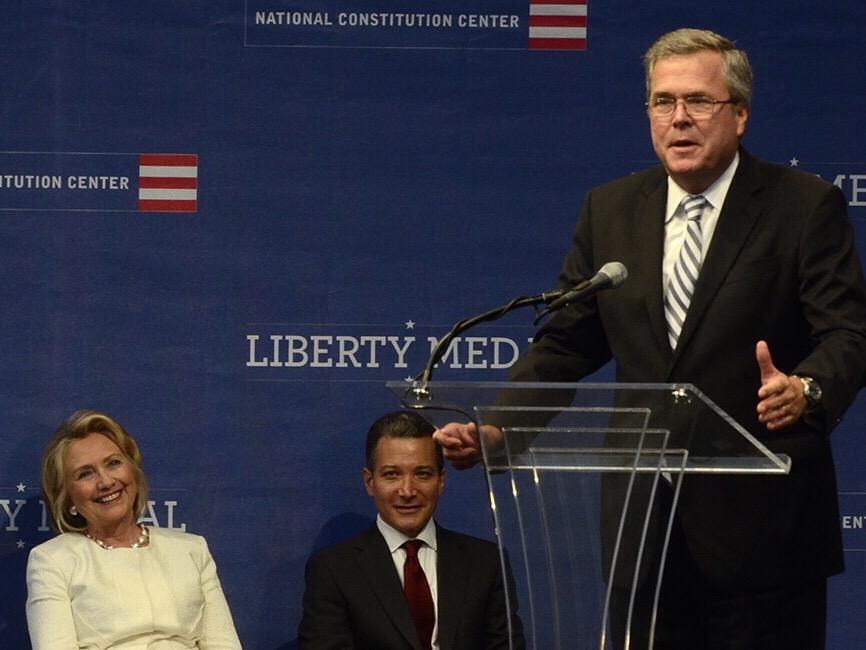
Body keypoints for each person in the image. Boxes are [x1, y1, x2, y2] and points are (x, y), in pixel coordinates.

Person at [434, 28, 866, 649]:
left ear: (740, 115)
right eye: (663, 102)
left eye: (699, 101)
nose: (679, 118)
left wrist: (807, 387)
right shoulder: (611, 210)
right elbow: (566, 344)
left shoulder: (802, 206)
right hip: (642, 532)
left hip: (764, 533)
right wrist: (500, 427)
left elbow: (848, 331)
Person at [297, 410, 524, 649]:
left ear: (441, 481)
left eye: (422, 474)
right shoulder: (334, 570)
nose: (407, 491)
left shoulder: (486, 563)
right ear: (369, 482)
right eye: (392, 475)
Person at [26, 409, 242, 649]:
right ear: (67, 497)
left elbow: (225, 644)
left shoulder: (192, 550)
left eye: (113, 463)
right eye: (85, 474)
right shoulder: (53, 561)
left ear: (133, 470)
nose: (106, 482)